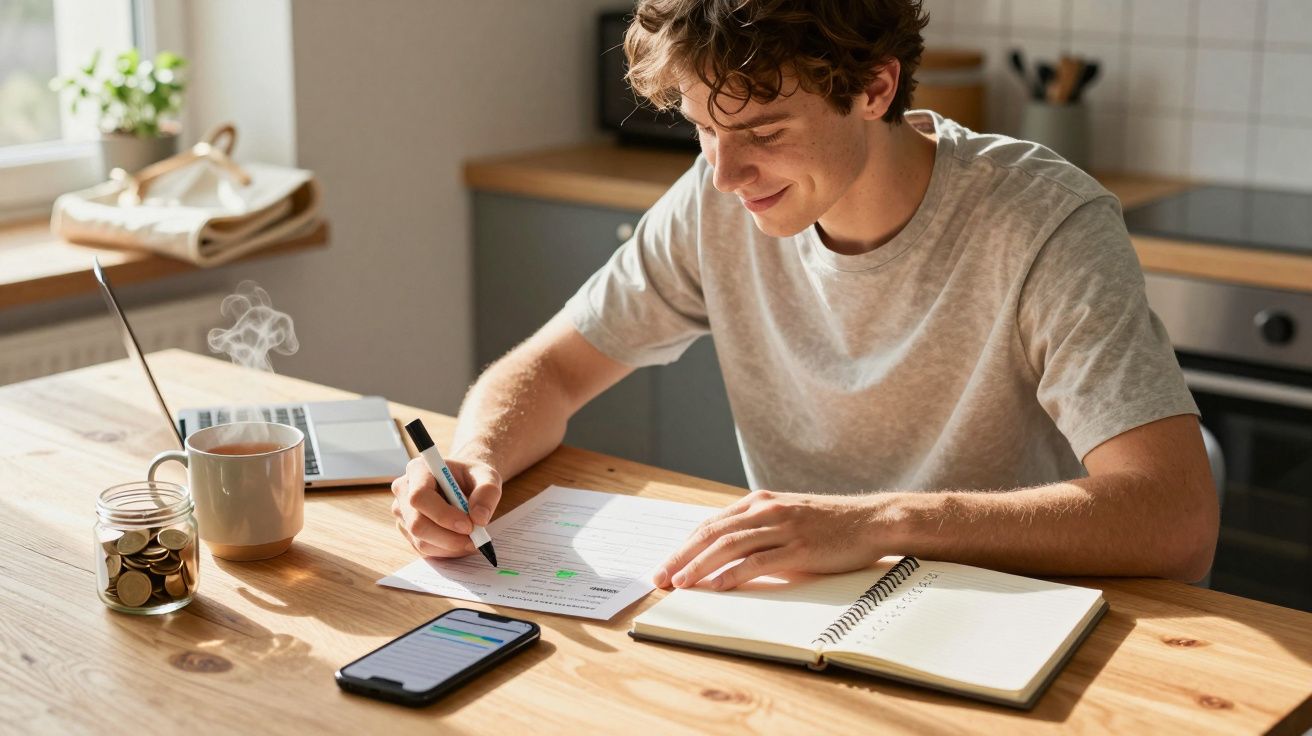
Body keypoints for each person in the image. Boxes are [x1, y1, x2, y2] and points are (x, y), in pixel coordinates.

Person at [391, 0, 1218, 592]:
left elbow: (1173, 518)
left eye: (763, 132)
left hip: (1021, 618)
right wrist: (476, 460)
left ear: (874, 88)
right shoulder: (714, 202)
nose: (724, 174)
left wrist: (874, 525)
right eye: (703, 129)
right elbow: (554, 368)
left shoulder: (1044, 222)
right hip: (810, 615)